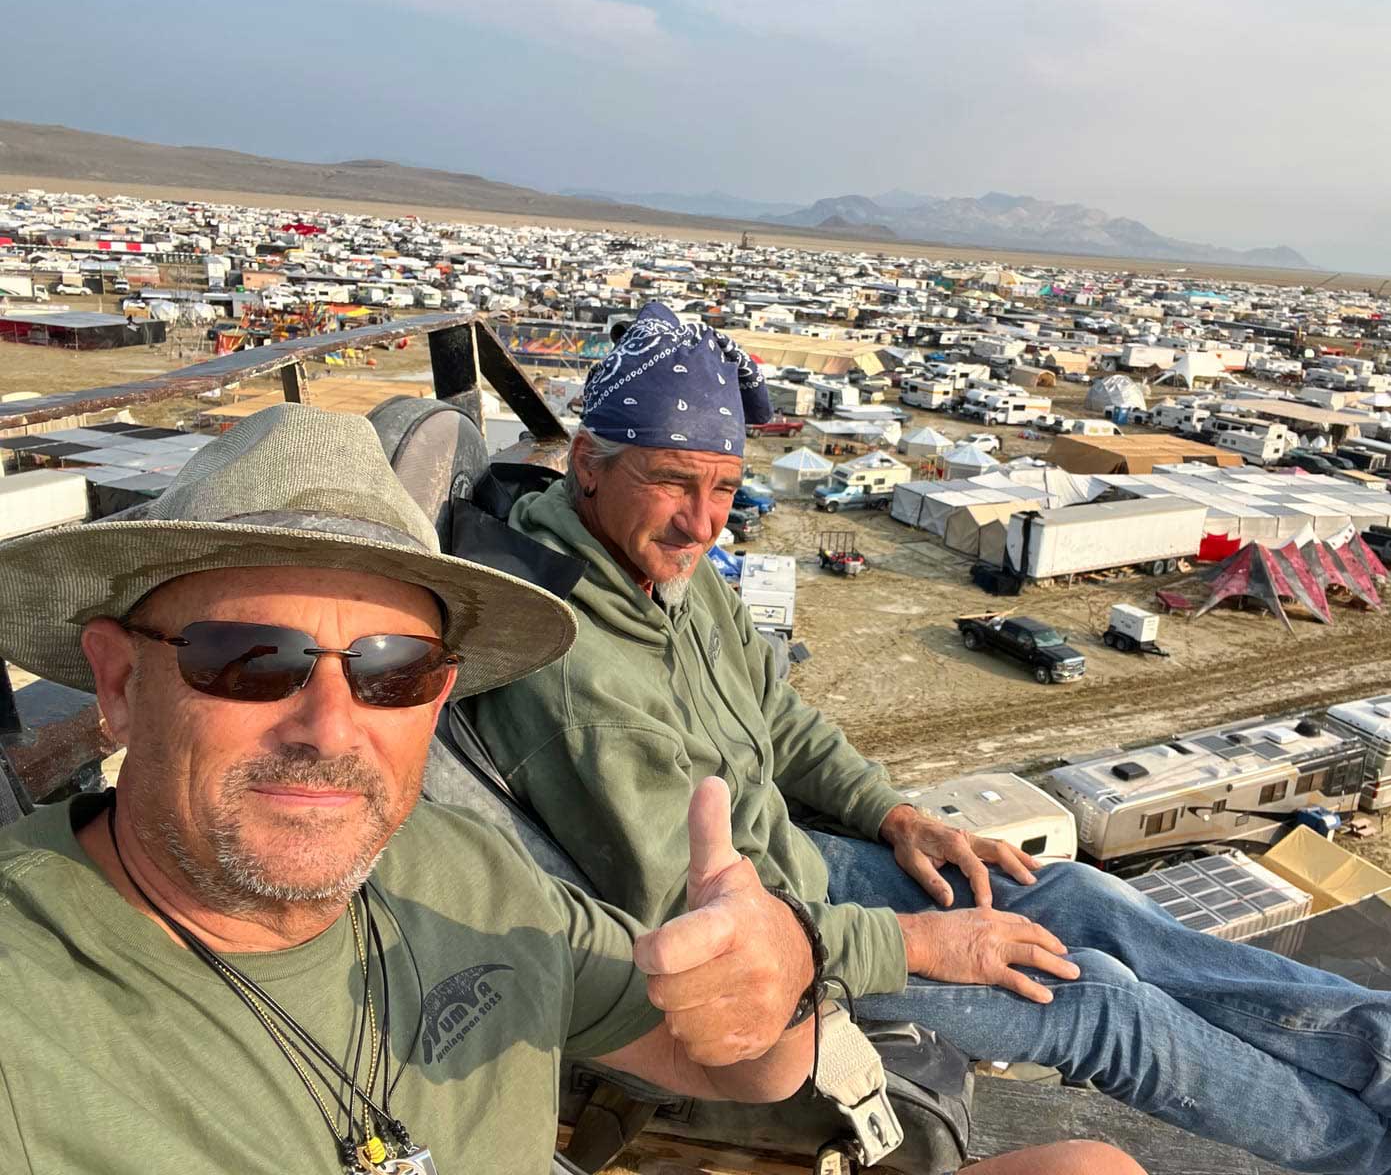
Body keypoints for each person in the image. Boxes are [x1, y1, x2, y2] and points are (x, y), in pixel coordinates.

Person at [464, 303, 1391, 1175]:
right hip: (770, 950)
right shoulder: (576, 673)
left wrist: (893, 813)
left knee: (1077, 902)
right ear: (587, 464)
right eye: (673, 484)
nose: (704, 520)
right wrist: (917, 948)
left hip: (811, 869)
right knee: (1094, 998)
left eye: (723, 488)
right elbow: (695, 923)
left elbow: (781, 719)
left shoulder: (657, 573)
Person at [0, 403, 1142, 1175]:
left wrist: (776, 985)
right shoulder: (37, 1013)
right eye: (249, 662)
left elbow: (726, 1054)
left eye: (394, 672)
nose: (328, 727)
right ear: (116, 682)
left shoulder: (465, 875)